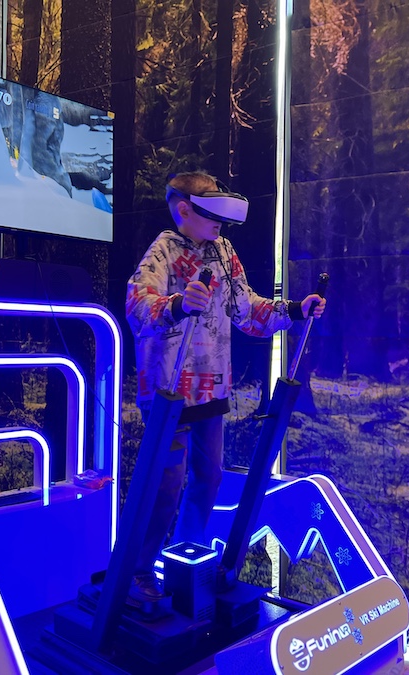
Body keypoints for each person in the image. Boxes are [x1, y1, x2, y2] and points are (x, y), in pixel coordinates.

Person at [125, 171, 326, 602]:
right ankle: (139, 570)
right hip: (169, 389)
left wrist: (294, 309)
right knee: (165, 483)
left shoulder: (224, 251)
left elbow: (246, 308)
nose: (220, 220)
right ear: (184, 208)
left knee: (209, 478)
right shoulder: (164, 249)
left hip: (211, 387)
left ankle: (185, 562)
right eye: (211, 209)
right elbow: (138, 303)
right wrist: (177, 304)